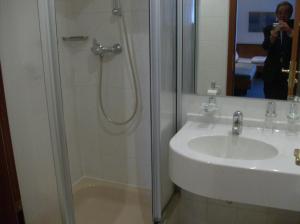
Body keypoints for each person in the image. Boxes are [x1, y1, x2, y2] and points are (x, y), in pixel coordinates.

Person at [262, 1, 294, 100]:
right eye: (280, 12)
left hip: (289, 72)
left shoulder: (295, 27)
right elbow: (265, 47)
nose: (282, 15)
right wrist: (273, 35)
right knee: (269, 98)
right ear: (276, 14)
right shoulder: (269, 28)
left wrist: (289, 30)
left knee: (286, 99)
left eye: (286, 12)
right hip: (271, 71)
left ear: (290, 14)